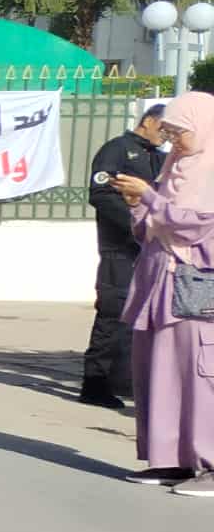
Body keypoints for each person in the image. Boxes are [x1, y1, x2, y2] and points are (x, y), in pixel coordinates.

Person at [117, 90, 214, 493]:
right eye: (169, 131)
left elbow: (195, 227)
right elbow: (149, 231)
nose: (173, 140)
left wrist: (151, 199)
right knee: (161, 374)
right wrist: (138, 204)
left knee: (201, 377)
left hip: (198, 292)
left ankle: (210, 463)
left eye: (179, 131)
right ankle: (172, 460)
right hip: (159, 286)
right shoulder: (174, 170)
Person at [85, 99, 173, 408]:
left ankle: (125, 380)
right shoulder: (117, 150)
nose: (166, 135)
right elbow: (101, 195)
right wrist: (138, 227)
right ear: (148, 121)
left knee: (142, 316)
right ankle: (95, 383)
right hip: (120, 247)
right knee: (113, 310)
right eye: (163, 127)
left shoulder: (160, 158)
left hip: (151, 250)